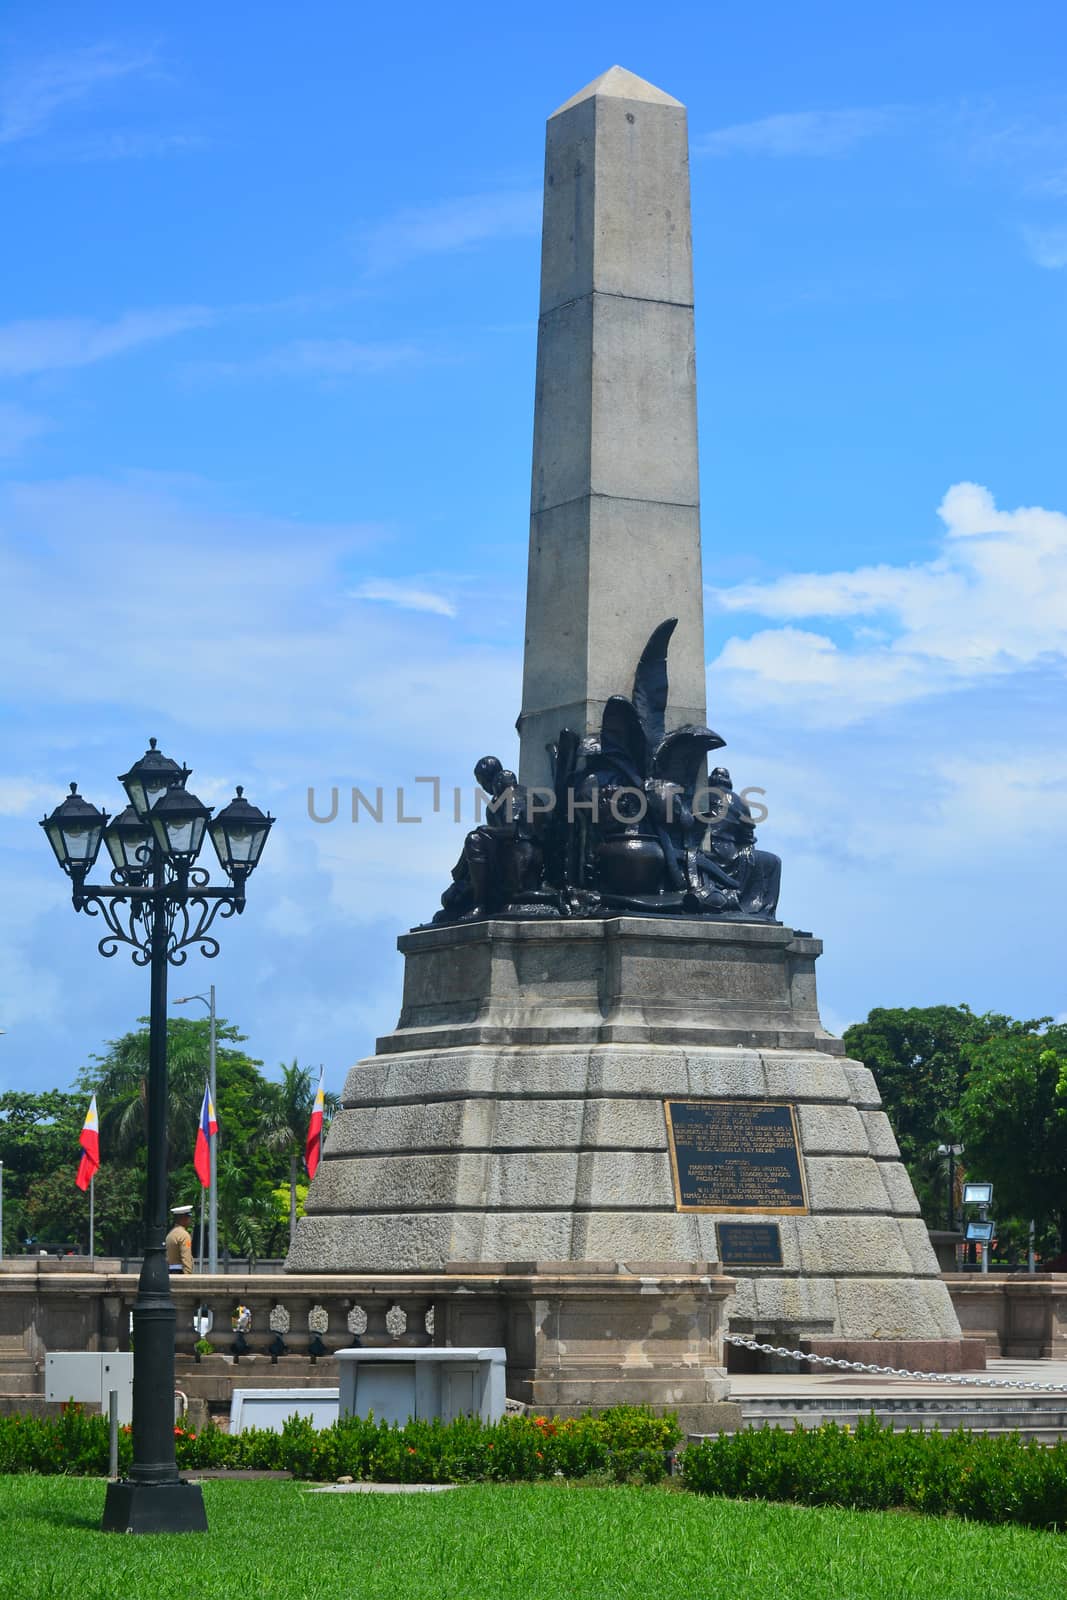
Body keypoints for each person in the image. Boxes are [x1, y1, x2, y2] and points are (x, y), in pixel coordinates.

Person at [166, 1204, 194, 1274]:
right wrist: (188, 1274)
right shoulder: (184, 1235)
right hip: (181, 1272)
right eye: (189, 1217)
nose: (190, 1219)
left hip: (170, 1271)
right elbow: (186, 1257)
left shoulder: (170, 1234)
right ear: (183, 1218)